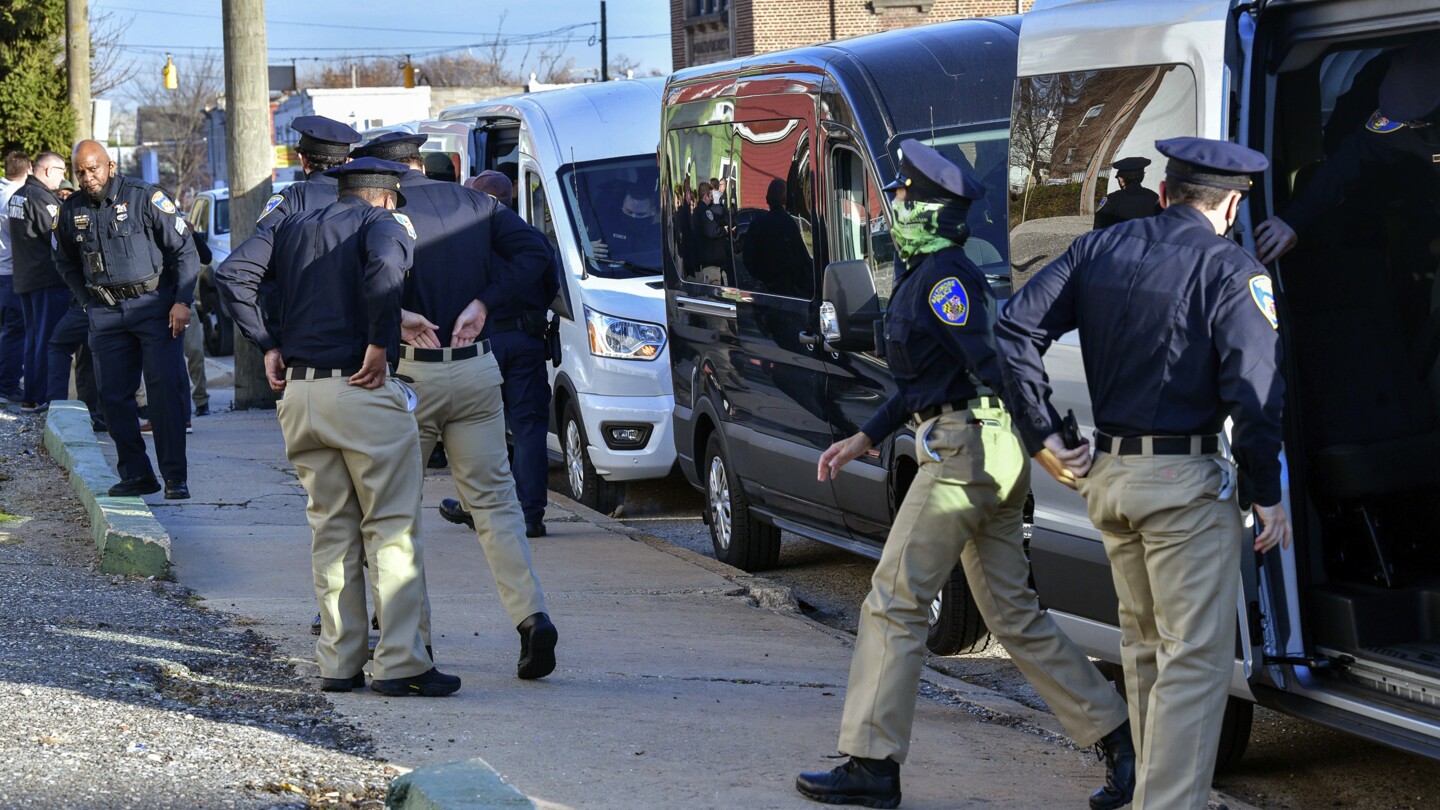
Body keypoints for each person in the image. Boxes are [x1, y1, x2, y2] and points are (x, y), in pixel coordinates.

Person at [795, 140, 1135, 810]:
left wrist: (1051, 439)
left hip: (964, 454)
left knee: (894, 599)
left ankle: (872, 763)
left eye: (904, 196)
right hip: (979, 449)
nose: (893, 206)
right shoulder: (927, 277)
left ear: (932, 210)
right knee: (1011, 614)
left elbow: (994, 363)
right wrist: (866, 434)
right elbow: (930, 380)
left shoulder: (946, 280)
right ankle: (1118, 737)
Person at [996, 137, 1291, 810]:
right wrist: (1266, 492)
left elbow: (1014, 329)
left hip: (1110, 480)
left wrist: (1044, 434)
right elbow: (1256, 392)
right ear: (1230, 206)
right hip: (1183, 488)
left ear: (1164, 195)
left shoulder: (1098, 250)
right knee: (1195, 665)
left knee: (1149, 654)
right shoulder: (1230, 268)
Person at [216, 157, 459, 697]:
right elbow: (386, 274)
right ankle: (399, 663)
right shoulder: (382, 226)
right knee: (391, 527)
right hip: (361, 388)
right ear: (387, 196)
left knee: (331, 531)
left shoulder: (289, 224)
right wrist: (380, 339)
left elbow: (232, 274)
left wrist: (267, 344)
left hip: (300, 394)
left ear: (341, 189)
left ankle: (338, 661)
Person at [350, 132, 560, 680]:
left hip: (408, 376)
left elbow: (360, 285)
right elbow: (536, 253)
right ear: (423, 163)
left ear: (383, 176)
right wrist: (486, 301)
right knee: (495, 504)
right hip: (474, 366)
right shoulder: (478, 203)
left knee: (395, 512)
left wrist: (395, 319)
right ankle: (531, 617)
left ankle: (412, 642)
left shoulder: (380, 215)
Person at [53, 140, 198, 500]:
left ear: (111, 165)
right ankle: (136, 474)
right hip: (105, 314)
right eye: (81, 172)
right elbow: (64, 261)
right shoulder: (71, 210)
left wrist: (182, 301)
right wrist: (87, 302)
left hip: (155, 309)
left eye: (94, 169)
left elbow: (184, 251)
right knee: (114, 399)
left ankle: (174, 477)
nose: (88, 178)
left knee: (164, 393)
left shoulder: (144, 197)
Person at [439, 169, 560, 538]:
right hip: (525, 343)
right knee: (529, 431)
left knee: (476, 430)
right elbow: (551, 285)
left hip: (483, 346)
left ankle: (477, 508)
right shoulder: (531, 239)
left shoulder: (468, 245)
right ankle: (530, 515)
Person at [1254, 38, 1440, 264]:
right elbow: (1346, 163)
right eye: (1410, 122)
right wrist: (1292, 221)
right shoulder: (1397, 116)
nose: (1409, 125)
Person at [9, 151, 71, 412]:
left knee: (34, 338)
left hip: (26, 277)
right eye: (61, 171)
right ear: (47, 170)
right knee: (49, 339)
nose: (63, 177)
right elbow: (56, 236)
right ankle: (44, 396)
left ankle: (31, 395)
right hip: (48, 279)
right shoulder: (41, 198)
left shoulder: (17, 196)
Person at [255, 116, 361, 233]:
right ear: (347, 161)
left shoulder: (291, 198)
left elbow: (264, 238)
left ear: (303, 160)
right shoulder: (364, 197)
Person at [0, 151, 29, 403]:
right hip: (10, 273)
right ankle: (7, 385)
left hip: (3, 272)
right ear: (28, 169)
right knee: (15, 330)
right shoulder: (15, 198)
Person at [1093, 156, 1162, 230]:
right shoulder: (1154, 197)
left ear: (1121, 180)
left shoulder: (1112, 199)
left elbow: (1099, 229)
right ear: (1142, 177)